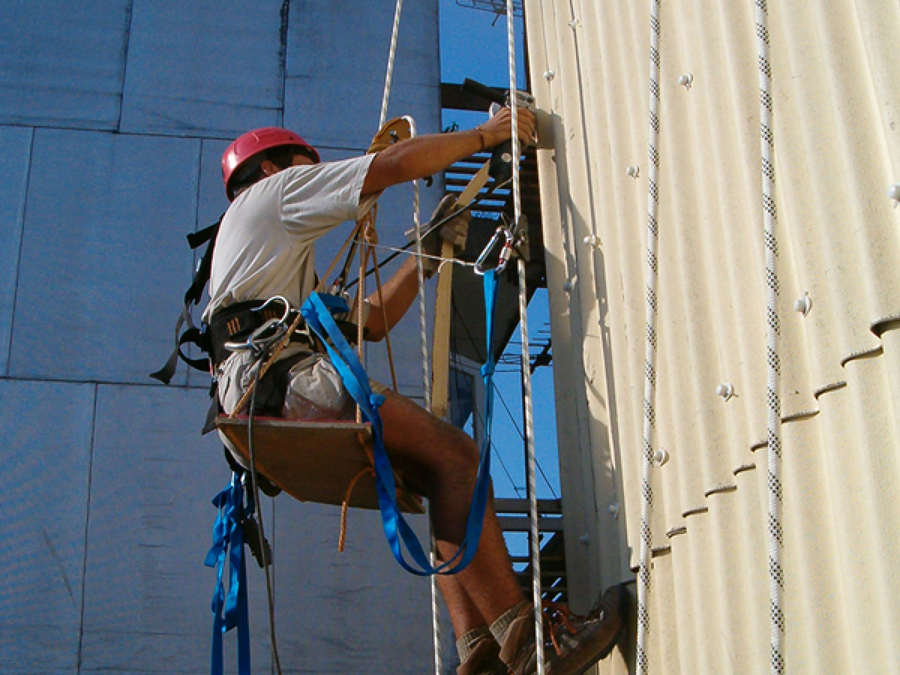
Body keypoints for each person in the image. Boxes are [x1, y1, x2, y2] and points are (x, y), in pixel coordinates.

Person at [204, 109, 627, 675]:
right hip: (277, 382)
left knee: (436, 473)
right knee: (457, 456)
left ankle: (477, 649)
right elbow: (391, 167)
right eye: (312, 168)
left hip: (262, 397)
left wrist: (428, 256)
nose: (320, 177)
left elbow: (370, 320)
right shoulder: (273, 195)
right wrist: (486, 136)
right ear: (274, 168)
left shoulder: (268, 262)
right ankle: (530, 641)